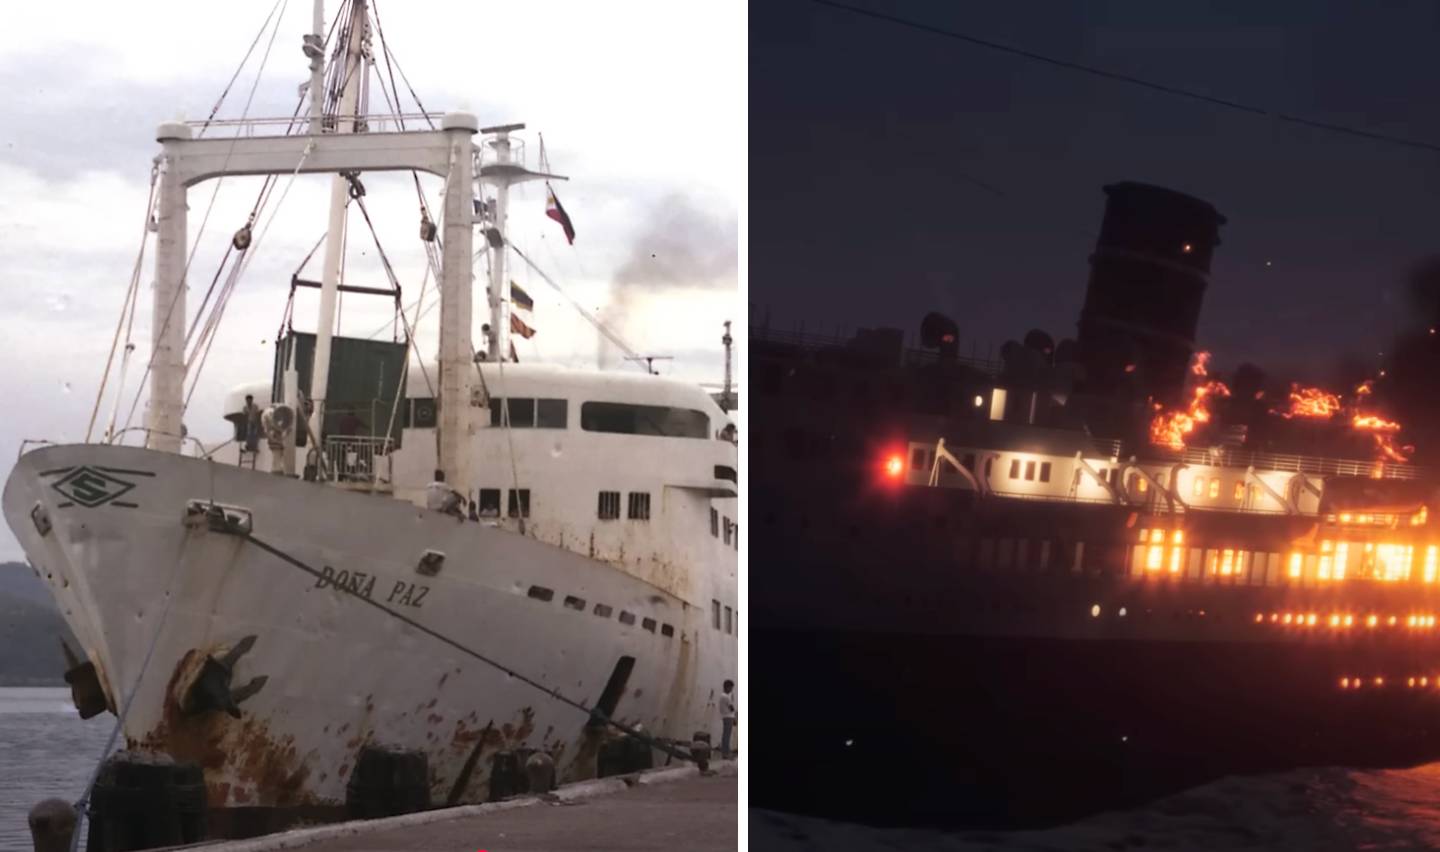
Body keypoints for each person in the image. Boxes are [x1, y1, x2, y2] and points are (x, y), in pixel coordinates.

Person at [720, 679, 737, 759]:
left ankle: (726, 752)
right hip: (728, 717)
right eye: (731, 688)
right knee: (727, 735)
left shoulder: (723, 696)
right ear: (727, 687)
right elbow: (731, 708)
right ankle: (726, 753)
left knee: (726, 735)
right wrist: (735, 717)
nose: (731, 689)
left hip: (726, 717)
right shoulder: (726, 697)